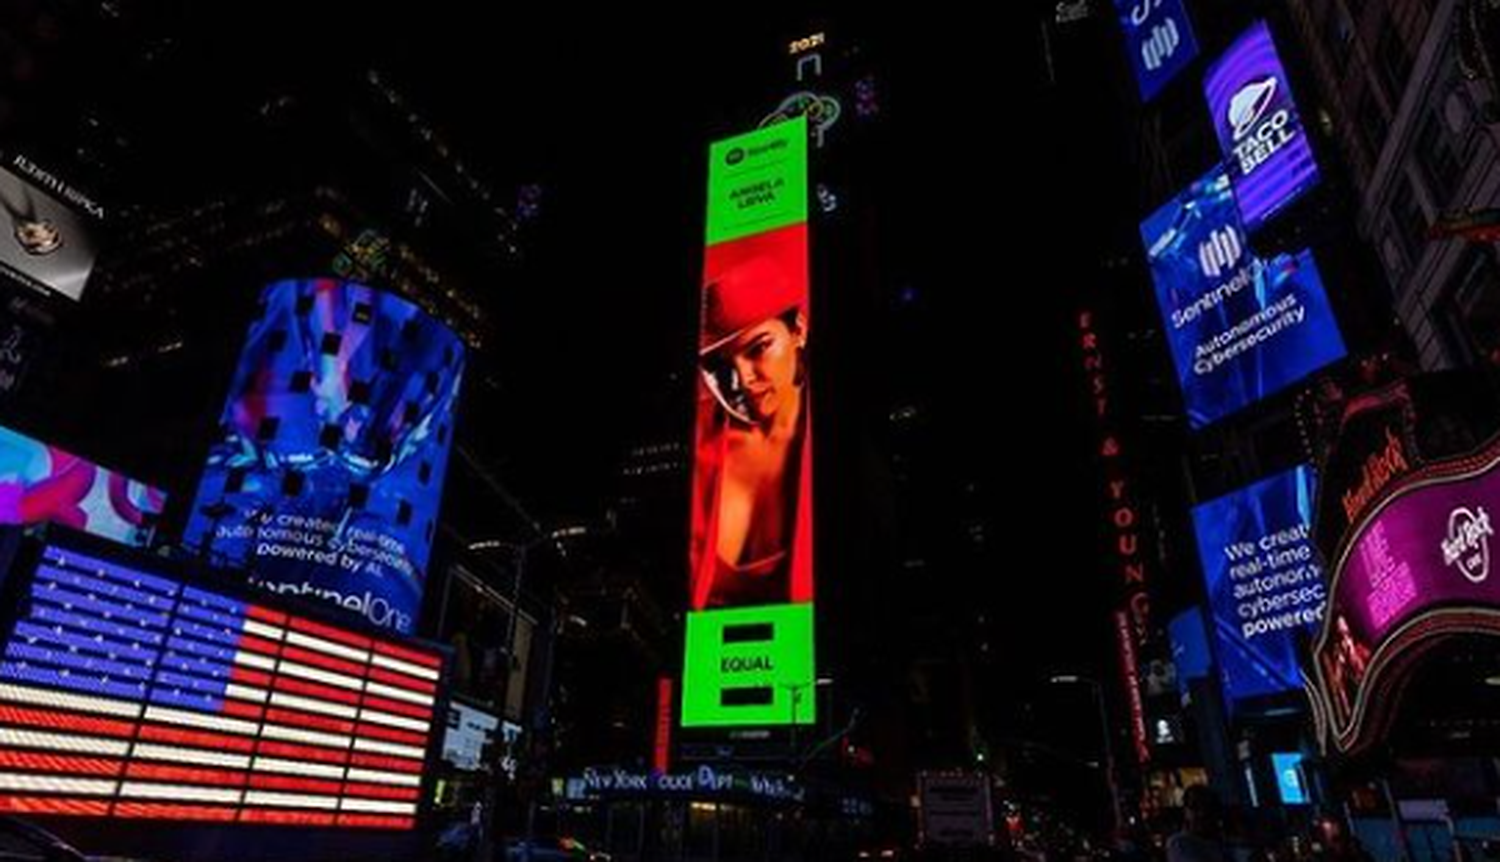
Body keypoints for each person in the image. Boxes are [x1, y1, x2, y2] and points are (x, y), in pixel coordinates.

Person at [690, 226, 812, 610]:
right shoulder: (699, 442)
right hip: (707, 661)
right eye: (721, 365)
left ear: (799, 331)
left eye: (759, 347)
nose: (743, 379)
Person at [1168, 785, 1226, 862]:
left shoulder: (1222, 841)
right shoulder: (1180, 843)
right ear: (1185, 811)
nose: (1201, 813)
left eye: (1206, 807)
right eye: (1194, 807)